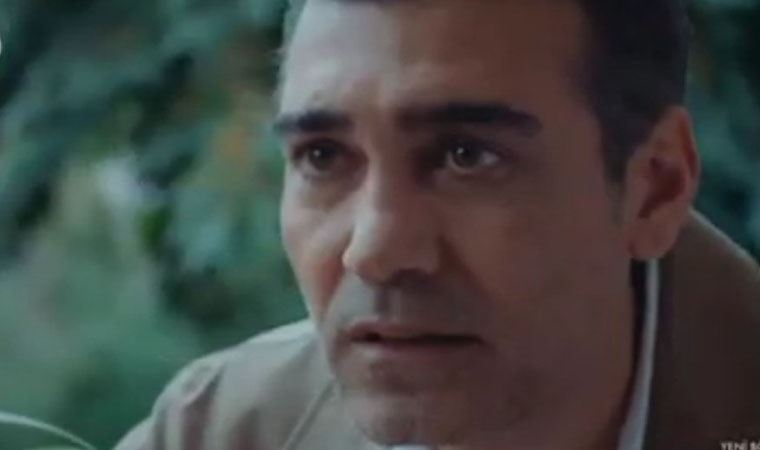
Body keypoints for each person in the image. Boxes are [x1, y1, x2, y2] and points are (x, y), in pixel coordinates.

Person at [115, 0, 760, 449]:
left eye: (467, 156)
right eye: (323, 157)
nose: (375, 250)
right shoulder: (219, 430)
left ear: (654, 190)